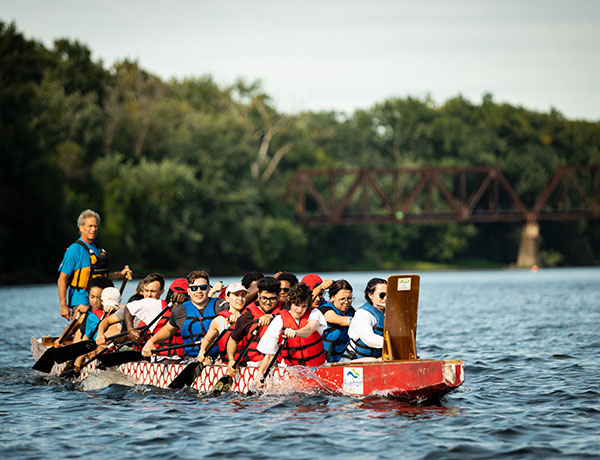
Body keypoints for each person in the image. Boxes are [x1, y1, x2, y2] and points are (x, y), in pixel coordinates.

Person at [57, 209, 132, 320]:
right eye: (90, 226)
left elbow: (101, 276)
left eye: (96, 226)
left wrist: (121, 274)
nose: (93, 229)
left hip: (101, 301)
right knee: (87, 322)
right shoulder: (74, 250)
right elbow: (62, 279)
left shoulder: (98, 249)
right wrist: (63, 306)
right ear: (81, 227)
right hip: (81, 300)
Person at [141, 271, 227, 358]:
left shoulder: (221, 305)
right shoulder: (180, 310)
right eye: (194, 288)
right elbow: (168, 330)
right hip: (191, 358)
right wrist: (151, 342)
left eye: (203, 287)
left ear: (208, 288)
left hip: (219, 357)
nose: (199, 291)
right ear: (188, 291)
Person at [255, 283, 327, 383]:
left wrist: (296, 332)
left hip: (317, 368)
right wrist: (259, 377)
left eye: (304, 306)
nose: (299, 310)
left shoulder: (315, 314)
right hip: (290, 370)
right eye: (297, 305)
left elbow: (310, 329)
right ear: (291, 303)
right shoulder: (279, 321)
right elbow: (270, 355)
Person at [225, 276, 281, 376]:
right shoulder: (247, 317)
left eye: (272, 299)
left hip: (281, 363)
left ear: (278, 297)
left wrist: (272, 316)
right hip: (255, 363)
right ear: (258, 295)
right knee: (264, 364)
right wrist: (231, 360)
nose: (267, 302)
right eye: (264, 298)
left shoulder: (286, 310)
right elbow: (233, 340)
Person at [196, 282, 247, 364]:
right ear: (227, 298)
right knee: (206, 362)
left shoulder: (249, 317)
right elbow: (207, 339)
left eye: (243, 295)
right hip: (226, 364)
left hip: (249, 364)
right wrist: (202, 351)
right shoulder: (219, 320)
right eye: (236, 295)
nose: (240, 298)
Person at [342, 278, 387, 361]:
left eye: (389, 294)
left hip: (376, 358)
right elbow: (368, 339)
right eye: (382, 295)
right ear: (370, 295)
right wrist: (393, 343)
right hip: (353, 360)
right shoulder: (362, 314)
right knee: (374, 361)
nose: (385, 298)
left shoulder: (389, 313)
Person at [320, 279, 355, 362]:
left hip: (344, 359)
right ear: (333, 297)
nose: (346, 302)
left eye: (349, 298)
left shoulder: (352, 312)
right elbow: (340, 320)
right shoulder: (325, 310)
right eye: (342, 299)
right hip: (324, 360)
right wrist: (365, 321)